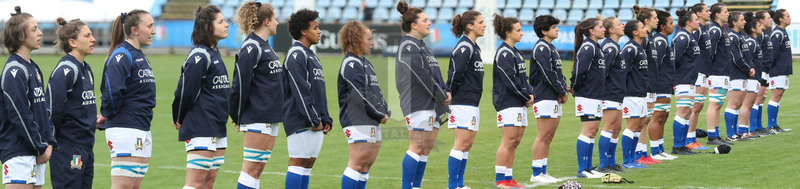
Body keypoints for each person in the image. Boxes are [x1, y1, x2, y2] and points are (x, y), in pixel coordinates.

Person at [171, 5, 230, 189]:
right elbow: (185, 91)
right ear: (207, 27)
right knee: (195, 184)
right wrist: (178, 117)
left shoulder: (214, 53)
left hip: (217, 127)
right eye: (221, 22)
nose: (227, 24)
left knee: (208, 182)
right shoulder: (200, 55)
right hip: (201, 127)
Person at [98, 9, 157, 189]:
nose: (154, 31)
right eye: (150, 26)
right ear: (135, 30)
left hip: (141, 127)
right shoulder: (122, 55)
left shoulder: (139, 54)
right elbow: (112, 92)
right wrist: (108, 114)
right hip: (126, 129)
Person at [395, 1, 451, 188]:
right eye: (425, 20)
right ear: (414, 25)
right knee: (417, 147)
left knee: (426, 149)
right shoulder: (408, 45)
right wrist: (441, 94)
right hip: (417, 103)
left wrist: (445, 91)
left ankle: (415, 186)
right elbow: (422, 77)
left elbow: (435, 73)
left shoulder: (424, 46)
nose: (429, 23)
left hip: (433, 102)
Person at [230, 2, 283, 189]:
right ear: (267, 21)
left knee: (258, 169)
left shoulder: (265, 46)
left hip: (270, 116)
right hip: (257, 116)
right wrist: (237, 116)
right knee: (251, 169)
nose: (278, 22)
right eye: (275, 19)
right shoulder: (251, 47)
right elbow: (239, 85)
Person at [0, 6, 54, 189]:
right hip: (18, 153)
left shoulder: (33, 67)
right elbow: (21, 115)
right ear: (20, 36)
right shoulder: (14, 71)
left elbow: (42, 111)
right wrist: (40, 146)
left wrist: (48, 143)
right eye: (34, 29)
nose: (40, 33)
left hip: (35, 150)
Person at [337, 21, 389, 189]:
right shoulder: (351, 64)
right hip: (357, 120)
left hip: (370, 119)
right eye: (369, 39)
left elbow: (376, 91)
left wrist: (385, 109)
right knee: (357, 164)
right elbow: (362, 95)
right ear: (356, 40)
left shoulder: (365, 63)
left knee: (366, 166)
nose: (373, 43)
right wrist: (380, 114)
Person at [283, 9, 330, 189]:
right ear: (303, 31)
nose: (319, 31)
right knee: (297, 164)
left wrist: (326, 118)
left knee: (307, 166)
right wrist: (313, 118)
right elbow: (300, 91)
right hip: (301, 120)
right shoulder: (296, 54)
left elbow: (319, 91)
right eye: (315, 28)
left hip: (315, 120)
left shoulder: (312, 56)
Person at [48, 17, 97, 189]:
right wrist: (51, 142)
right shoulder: (65, 70)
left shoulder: (86, 68)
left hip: (86, 148)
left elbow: (78, 105)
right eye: (87, 35)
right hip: (68, 148)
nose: (93, 39)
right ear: (72, 42)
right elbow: (52, 111)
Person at [490, 14, 532, 189]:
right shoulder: (504, 52)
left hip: (518, 102)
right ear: (508, 33)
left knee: (515, 141)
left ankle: (508, 178)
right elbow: (509, 80)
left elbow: (523, 78)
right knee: (508, 141)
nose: (522, 33)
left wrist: (530, 93)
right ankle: (500, 180)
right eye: (518, 30)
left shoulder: (515, 52)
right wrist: (525, 96)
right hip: (508, 102)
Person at [445, 10, 484, 189]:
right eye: (480, 22)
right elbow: (455, 74)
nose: (484, 25)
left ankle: (459, 184)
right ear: (470, 26)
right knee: (461, 144)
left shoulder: (474, 46)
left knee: (467, 145)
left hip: (471, 102)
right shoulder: (465, 47)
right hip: (461, 102)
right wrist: (449, 94)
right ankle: (453, 185)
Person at [529, 14, 568, 183]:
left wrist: (563, 88)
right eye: (553, 27)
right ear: (544, 31)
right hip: (544, 96)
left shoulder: (551, 48)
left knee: (549, 136)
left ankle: (543, 171)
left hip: (553, 96)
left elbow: (558, 73)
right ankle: (536, 173)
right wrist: (562, 90)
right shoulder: (541, 48)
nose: (557, 29)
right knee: (542, 135)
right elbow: (548, 74)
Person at [569, 17, 607, 178]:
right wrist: (576, 88)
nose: (604, 29)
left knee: (593, 131)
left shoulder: (596, 46)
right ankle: (582, 170)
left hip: (595, 95)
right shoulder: (588, 47)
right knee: (587, 131)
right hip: (587, 95)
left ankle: (589, 168)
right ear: (592, 31)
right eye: (601, 26)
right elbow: (578, 72)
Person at [596, 16, 627, 174]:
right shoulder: (609, 47)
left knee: (616, 128)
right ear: (612, 30)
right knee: (608, 128)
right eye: (619, 24)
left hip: (617, 93)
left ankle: (611, 161)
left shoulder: (615, 46)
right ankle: (603, 164)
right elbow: (602, 72)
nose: (623, 26)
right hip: (610, 94)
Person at [644, 9, 675, 163]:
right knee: (657, 117)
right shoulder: (660, 41)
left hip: (666, 84)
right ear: (662, 26)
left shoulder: (663, 40)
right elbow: (655, 65)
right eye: (670, 23)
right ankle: (655, 150)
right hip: (660, 85)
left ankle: (660, 149)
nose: (674, 25)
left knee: (663, 116)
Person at [631, 5, 661, 165]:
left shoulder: (650, 37)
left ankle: (643, 152)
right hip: (644, 85)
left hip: (651, 84)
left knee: (645, 119)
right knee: (642, 120)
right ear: (647, 20)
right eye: (655, 17)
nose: (658, 20)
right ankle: (639, 153)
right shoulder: (642, 40)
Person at [670, 8, 702, 155]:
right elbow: (675, 60)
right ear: (689, 22)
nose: (699, 21)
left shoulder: (690, 36)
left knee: (687, 112)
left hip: (689, 80)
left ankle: (682, 144)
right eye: (696, 19)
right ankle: (677, 146)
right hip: (682, 80)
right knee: (682, 112)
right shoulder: (682, 37)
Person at [619, 19, 650, 169]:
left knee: (639, 125)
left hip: (641, 93)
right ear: (635, 32)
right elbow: (623, 72)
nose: (646, 29)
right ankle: (627, 160)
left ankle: (632, 159)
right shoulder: (629, 49)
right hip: (631, 94)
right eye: (643, 27)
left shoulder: (640, 47)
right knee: (632, 126)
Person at [704, 3, 735, 145]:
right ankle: (711, 136)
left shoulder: (722, 29)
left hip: (723, 72)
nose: (728, 14)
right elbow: (709, 52)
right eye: (726, 11)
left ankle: (715, 135)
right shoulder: (715, 30)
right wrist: (710, 71)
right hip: (716, 73)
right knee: (714, 103)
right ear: (717, 14)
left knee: (718, 104)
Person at [722, 11, 755, 141]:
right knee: (733, 104)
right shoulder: (732, 36)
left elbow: (747, 55)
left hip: (742, 74)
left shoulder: (740, 35)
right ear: (734, 22)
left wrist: (751, 67)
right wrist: (748, 69)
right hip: (735, 74)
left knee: (738, 104)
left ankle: (735, 133)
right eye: (742, 20)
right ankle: (730, 134)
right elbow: (736, 58)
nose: (745, 22)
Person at [687, 3, 714, 150]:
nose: (709, 12)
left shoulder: (704, 29)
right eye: (706, 10)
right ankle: (689, 139)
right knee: (694, 107)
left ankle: (693, 138)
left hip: (704, 73)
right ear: (698, 14)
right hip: (698, 73)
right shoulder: (696, 32)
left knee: (698, 107)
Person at [737, 11, 764, 139]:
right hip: (752, 78)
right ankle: (742, 130)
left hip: (755, 77)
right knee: (747, 105)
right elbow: (747, 58)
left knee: (749, 105)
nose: (762, 28)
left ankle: (744, 129)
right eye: (759, 26)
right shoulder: (751, 42)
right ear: (753, 29)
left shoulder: (753, 41)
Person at [766, 9, 791, 133]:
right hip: (777, 70)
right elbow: (772, 53)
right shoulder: (777, 34)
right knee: (775, 96)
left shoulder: (782, 32)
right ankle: (771, 126)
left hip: (782, 70)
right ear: (780, 19)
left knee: (778, 96)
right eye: (787, 16)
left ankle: (774, 125)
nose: (790, 18)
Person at [750, 10, 774, 136]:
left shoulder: (764, 33)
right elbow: (755, 54)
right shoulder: (759, 35)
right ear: (761, 20)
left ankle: (759, 126)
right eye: (768, 18)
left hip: (765, 70)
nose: (771, 20)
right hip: (761, 70)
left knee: (761, 98)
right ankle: (754, 128)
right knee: (757, 99)